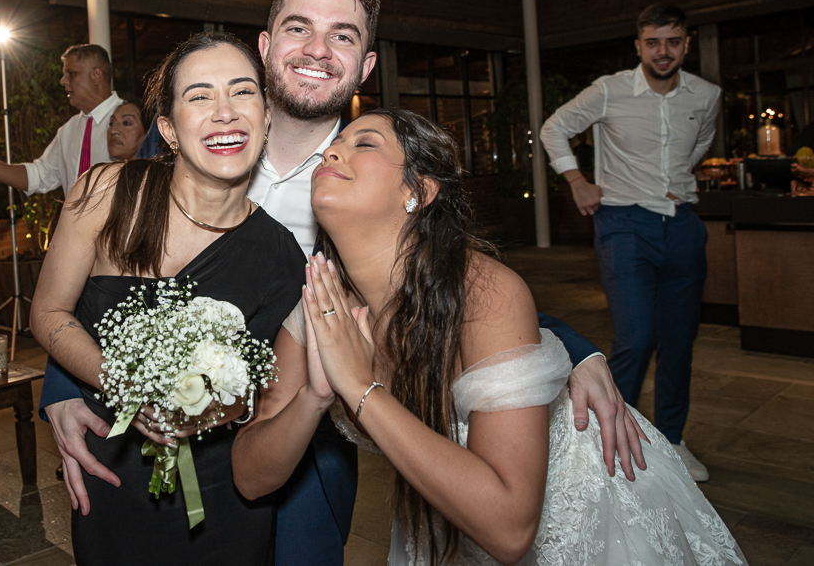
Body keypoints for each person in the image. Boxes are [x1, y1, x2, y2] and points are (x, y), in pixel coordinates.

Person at [39, 0, 646, 565]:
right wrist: (68, 386)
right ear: (266, 43)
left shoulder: (366, 173)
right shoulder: (193, 130)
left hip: (306, 443)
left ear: (366, 65)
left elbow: (449, 272)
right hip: (145, 448)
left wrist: (568, 348)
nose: (318, 49)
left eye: (343, 35)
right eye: (299, 28)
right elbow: (100, 276)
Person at [233, 108, 747, 565]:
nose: (334, 153)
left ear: (418, 191)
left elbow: (510, 530)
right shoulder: (320, 304)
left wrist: (361, 391)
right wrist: (316, 395)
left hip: (582, 511)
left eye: (363, 143)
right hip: (445, 515)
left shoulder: (483, 293)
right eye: (333, 149)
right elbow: (252, 476)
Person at [29, 32, 303, 564]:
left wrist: (208, 410)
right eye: (200, 96)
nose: (224, 113)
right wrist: (124, 383)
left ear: (267, 119)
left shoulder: (281, 256)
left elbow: (266, 396)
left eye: (243, 92)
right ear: (170, 130)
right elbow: (47, 312)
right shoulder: (104, 194)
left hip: (225, 496)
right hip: (111, 468)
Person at [540, 3, 720, 482]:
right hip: (623, 223)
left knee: (679, 341)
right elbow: (553, 127)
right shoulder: (610, 89)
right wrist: (576, 179)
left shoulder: (706, 95)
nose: (664, 51)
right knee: (637, 338)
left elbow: (700, 145)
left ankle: (673, 440)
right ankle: (610, 431)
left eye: (674, 41)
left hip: (682, 223)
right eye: (653, 42)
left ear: (688, 43)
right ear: (638, 46)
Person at [0, 44, 122, 196]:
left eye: (71, 74)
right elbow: (39, 175)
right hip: (78, 235)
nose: (62, 81)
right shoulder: (69, 131)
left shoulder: (134, 121)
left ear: (96, 75)